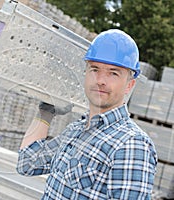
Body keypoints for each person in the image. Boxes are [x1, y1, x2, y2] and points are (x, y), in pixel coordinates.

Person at [16, 29, 157, 199]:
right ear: (85, 74)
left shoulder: (131, 144)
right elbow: (27, 163)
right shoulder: (76, 131)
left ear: (129, 85)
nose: (100, 80)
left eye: (113, 73)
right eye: (95, 69)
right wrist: (46, 111)